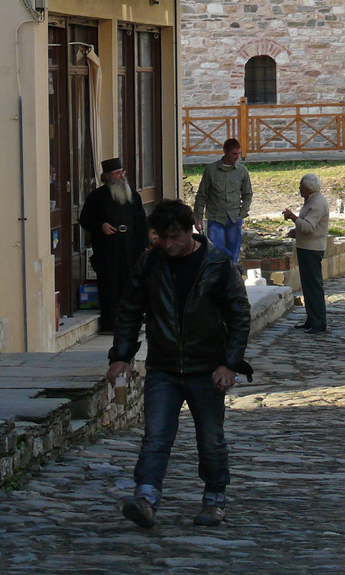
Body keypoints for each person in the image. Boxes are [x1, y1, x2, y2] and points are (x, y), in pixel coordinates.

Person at [106, 198, 252, 529]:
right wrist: (121, 356)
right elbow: (130, 310)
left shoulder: (217, 265)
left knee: (210, 439)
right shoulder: (150, 263)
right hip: (163, 366)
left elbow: (240, 315)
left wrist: (229, 364)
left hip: (206, 367)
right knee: (155, 436)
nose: (168, 245)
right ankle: (145, 498)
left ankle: (214, 498)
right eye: (161, 237)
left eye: (174, 237)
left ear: (190, 231)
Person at [79, 157, 150, 333]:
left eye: (121, 172)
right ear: (108, 176)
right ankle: (110, 323)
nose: (121, 176)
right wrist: (101, 225)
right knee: (110, 284)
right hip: (108, 248)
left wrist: (144, 247)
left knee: (131, 284)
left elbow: (141, 222)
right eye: (117, 173)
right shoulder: (97, 197)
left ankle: (132, 322)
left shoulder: (132, 195)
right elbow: (85, 220)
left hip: (130, 246)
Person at [192, 138, 252, 267]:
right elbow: (201, 195)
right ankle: (219, 275)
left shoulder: (242, 171)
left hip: (234, 218)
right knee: (216, 251)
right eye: (233, 154)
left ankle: (232, 276)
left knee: (233, 254)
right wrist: (198, 218)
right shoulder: (211, 170)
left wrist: (242, 212)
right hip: (215, 218)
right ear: (225, 152)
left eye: (238, 154)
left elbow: (247, 194)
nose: (237, 157)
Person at [283, 173, 330, 334]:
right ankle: (312, 319)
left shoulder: (317, 203)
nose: (299, 190)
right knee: (308, 286)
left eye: (301, 187)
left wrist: (292, 217)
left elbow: (309, 227)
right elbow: (307, 227)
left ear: (308, 189)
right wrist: (296, 231)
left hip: (312, 249)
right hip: (306, 247)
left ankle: (318, 321)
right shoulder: (312, 200)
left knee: (313, 286)